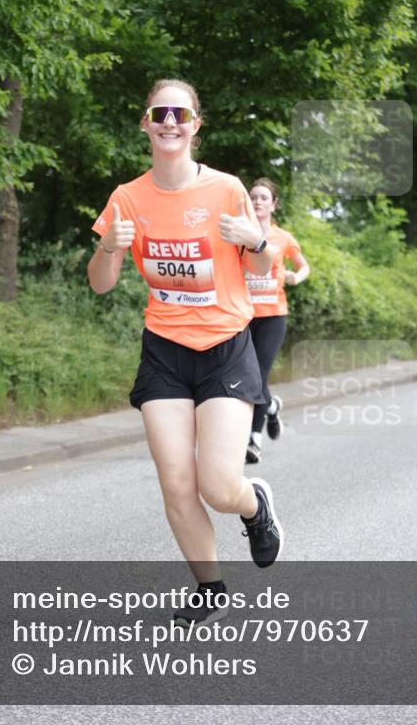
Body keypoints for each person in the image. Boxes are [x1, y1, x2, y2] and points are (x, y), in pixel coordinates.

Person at [88, 79, 284, 628]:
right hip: (165, 351)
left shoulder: (226, 189)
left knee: (217, 486)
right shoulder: (127, 198)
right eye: (159, 112)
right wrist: (110, 246)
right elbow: (101, 284)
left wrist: (258, 240)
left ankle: (253, 505)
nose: (169, 121)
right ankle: (210, 586)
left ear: (195, 125)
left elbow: (261, 269)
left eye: (181, 113)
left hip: (224, 346)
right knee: (175, 481)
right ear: (146, 123)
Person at [243, 178, 309, 463]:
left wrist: (297, 277)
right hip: (242, 315)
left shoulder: (283, 237)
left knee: (258, 374)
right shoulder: (239, 234)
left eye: (263, 198)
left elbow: (303, 265)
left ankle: (253, 440)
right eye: (253, 197)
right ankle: (270, 407)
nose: (258, 202)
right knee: (245, 376)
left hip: (273, 317)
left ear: (273, 204)